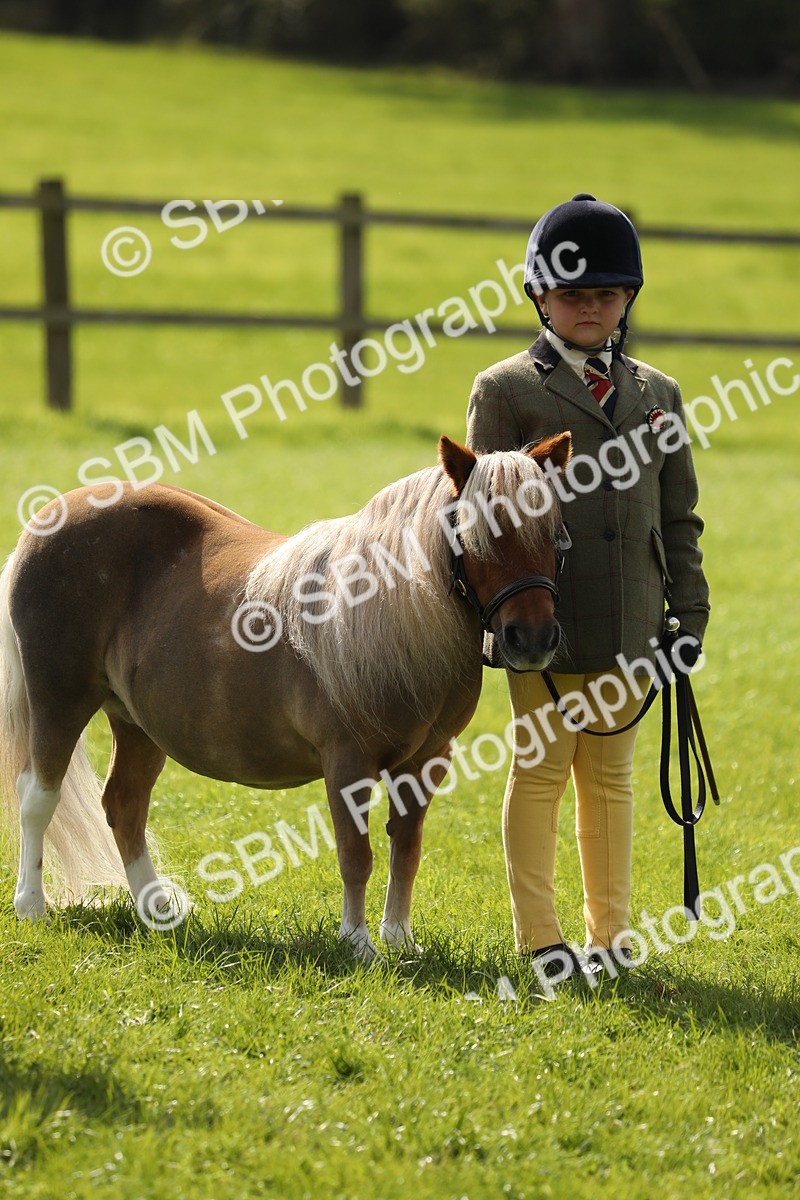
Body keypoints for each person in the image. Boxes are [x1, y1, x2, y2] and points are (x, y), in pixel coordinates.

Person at [465, 194, 710, 977]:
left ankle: (611, 938)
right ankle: (542, 938)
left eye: (606, 295)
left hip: (633, 616)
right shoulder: (506, 390)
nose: (590, 308)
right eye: (573, 295)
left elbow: (679, 516)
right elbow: (484, 519)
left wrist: (691, 611)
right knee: (540, 771)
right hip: (545, 614)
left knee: (612, 778)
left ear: (628, 299)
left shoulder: (659, 395)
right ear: (539, 296)